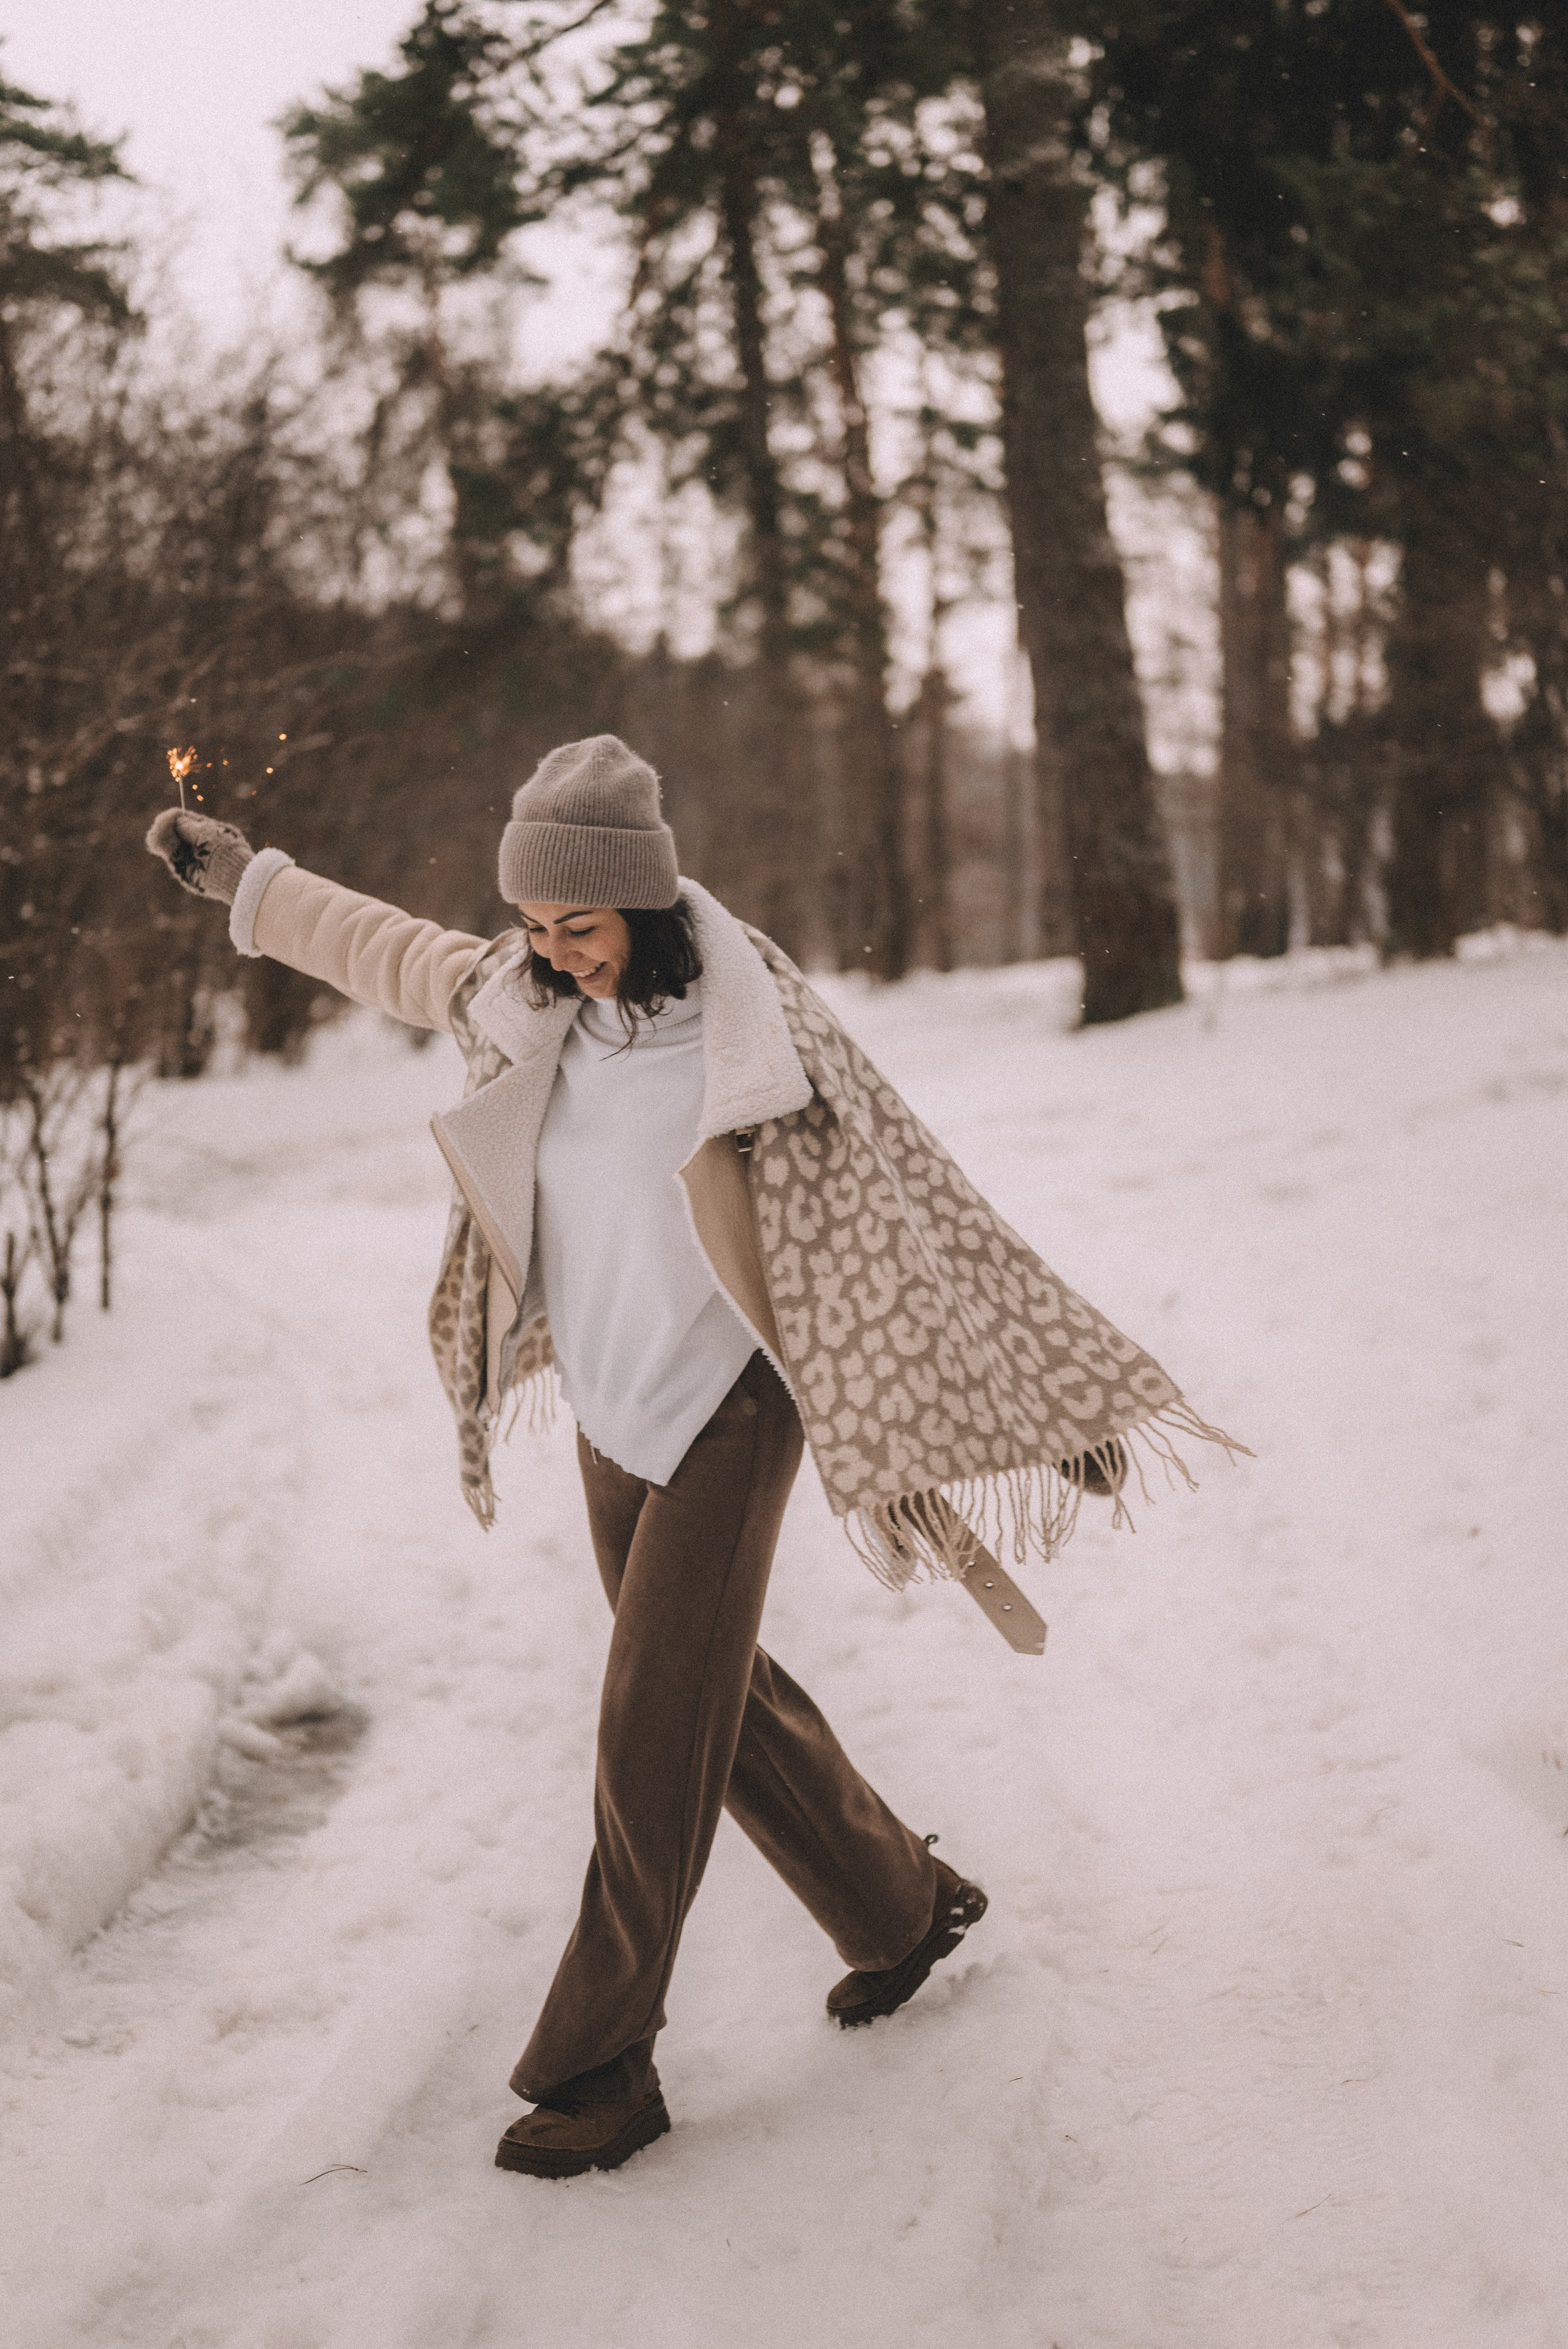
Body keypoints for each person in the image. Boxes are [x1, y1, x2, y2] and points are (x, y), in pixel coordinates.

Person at [146, 733, 1235, 2181]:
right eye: (534, 924)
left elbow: (915, 1207)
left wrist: (1045, 1400)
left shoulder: (753, 1029)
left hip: (730, 1408)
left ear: (646, 904)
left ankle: (600, 2064)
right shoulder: (519, 999)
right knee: (717, 1697)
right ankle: (901, 1905)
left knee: (650, 1731)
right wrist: (247, 879)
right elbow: (386, 948)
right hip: (610, 1409)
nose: (553, 951)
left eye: (578, 926)